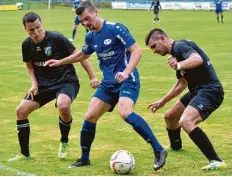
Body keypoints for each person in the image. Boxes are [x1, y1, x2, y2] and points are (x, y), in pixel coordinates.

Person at [45, 1, 167, 171]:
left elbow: (137, 51)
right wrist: (60, 62)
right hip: (108, 83)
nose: (86, 23)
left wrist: (126, 72)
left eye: (87, 18)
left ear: (96, 12)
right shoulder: (90, 36)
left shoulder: (116, 29)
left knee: (125, 112)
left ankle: (159, 149)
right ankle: (84, 158)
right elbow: (82, 54)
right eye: (82, 22)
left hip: (127, 79)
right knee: (90, 116)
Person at [9, 12, 99, 162]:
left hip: (66, 81)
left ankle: (64, 141)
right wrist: (34, 84)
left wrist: (93, 77)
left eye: (38, 27)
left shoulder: (57, 38)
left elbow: (80, 55)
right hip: (43, 84)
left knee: (63, 106)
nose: (36, 32)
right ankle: (24, 154)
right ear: (25, 29)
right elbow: (29, 66)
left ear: (42, 24)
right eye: (31, 30)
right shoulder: (26, 45)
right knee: (21, 111)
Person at [145, 28, 227, 170]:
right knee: (170, 117)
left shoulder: (180, 46)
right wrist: (162, 101)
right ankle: (175, 146)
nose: (154, 51)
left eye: (154, 46)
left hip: (211, 90)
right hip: (196, 90)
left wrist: (179, 65)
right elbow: (182, 83)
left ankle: (216, 160)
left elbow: (197, 59)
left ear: (163, 39)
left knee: (186, 121)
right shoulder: (175, 54)